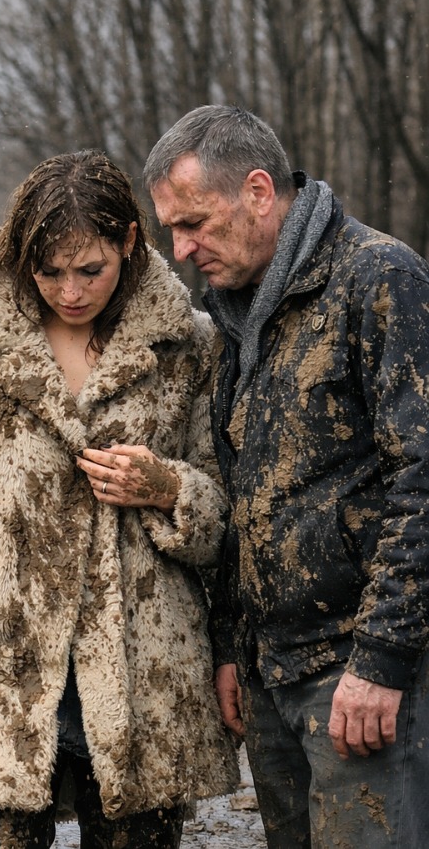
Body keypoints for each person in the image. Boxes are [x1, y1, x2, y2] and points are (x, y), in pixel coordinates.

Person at [0, 150, 237, 849]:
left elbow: (229, 512)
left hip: (144, 670)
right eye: (49, 272)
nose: (69, 292)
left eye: (90, 270)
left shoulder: (188, 343)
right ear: (21, 257)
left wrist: (166, 488)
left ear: (130, 242)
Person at [144, 104, 429, 847]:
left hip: (361, 678)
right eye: (172, 228)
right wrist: (233, 647)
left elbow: (422, 480)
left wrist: (382, 661)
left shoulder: (379, 279)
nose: (180, 249)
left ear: (260, 192)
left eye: (194, 222)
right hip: (274, 681)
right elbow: (247, 497)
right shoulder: (236, 317)